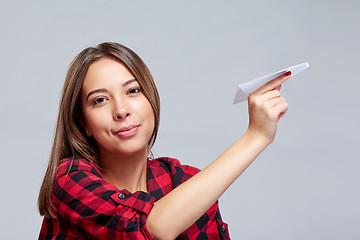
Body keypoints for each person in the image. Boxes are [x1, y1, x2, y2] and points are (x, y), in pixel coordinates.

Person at [38, 42, 290, 240]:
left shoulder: (183, 182)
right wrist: (255, 137)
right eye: (100, 100)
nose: (121, 110)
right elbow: (148, 229)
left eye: (133, 91)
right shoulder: (70, 179)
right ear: (84, 123)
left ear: (151, 99)